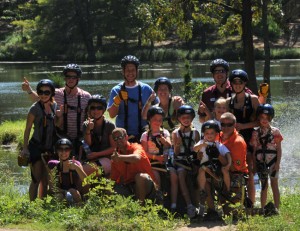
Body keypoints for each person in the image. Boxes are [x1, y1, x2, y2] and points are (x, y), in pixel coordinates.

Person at [22, 64, 91, 154]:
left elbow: (93, 114)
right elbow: (41, 98)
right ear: (65, 78)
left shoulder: (86, 96)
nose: (70, 79)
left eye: (73, 77)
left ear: (78, 79)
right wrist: (29, 90)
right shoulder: (57, 94)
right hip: (60, 138)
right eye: (68, 76)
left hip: (80, 138)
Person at [226, 69, 260, 204]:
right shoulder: (228, 101)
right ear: (232, 84)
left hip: (249, 137)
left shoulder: (253, 99)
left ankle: (251, 202)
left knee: (250, 170)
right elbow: (226, 121)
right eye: (235, 82)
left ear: (245, 83)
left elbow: (260, 121)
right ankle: (236, 201)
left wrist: (244, 126)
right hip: (234, 140)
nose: (237, 85)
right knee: (234, 169)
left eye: (240, 82)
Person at [21, 79, 58, 201]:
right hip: (36, 147)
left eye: (47, 92)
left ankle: (44, 204)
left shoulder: (54, 106)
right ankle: (32, 206)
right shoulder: (34, 109)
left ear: (52, 93)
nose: (43, 95)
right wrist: (25, 148)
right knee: (36, 179)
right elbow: (27, 130)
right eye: (41, 92)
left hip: (49, 148)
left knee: (47, 179)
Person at [107, 55, 157, 143]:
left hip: (144, 134)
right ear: (122, 71)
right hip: (123, 136)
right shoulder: (116, 90)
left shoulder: (146, 89)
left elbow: (159, 109)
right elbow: (111, 115)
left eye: (133, 70)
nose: (130, 73)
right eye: (127, 70)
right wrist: (117, 101)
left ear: (137, 71)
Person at [140, 106, 178, 211]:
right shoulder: (145, 135)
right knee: (156, 177)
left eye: (160, 120)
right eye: (155, 119)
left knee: (174, 175)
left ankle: (174, 204)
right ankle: (159, 203)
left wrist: (163, 140)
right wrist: (156, 157)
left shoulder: (164, 132)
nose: (157, 122)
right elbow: (144, 152)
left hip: (165, 160)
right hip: (152, 161)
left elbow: (169, 145)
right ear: (149, 120)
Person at [110, 127, 158, 203]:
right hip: (131, 189)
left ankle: (140, 208)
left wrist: (120, 157)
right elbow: (113, 180)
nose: (118, 141)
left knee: (140, 177)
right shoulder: (115, 158)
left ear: (126, 137)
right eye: (115, 139)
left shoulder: (136, 147)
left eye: (120, 137)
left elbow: (136, 158)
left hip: (149, 188)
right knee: (110, 187)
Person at [193, 120, 231, 215]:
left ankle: (227, 191)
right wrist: (202, 144)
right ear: (203, 134)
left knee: (222, 176)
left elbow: (227, 154)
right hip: (205, 167)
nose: (209, 135)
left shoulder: (218, 145)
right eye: (207, 133)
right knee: (201, 170)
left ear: (216, 134)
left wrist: (227, 163)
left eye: (212, 133)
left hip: (216, 168)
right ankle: (202, 191)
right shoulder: (202, 142)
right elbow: (194, 148)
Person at [250, 104, 283, 212]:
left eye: (267, 118)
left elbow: (278, 149)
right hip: (261, 162)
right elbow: (254, 151)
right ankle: (263, 208)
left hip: (273, 161)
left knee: (274, 184)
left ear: (271, 118)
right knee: (263, 185)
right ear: (258, 118)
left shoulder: (276, 131)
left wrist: (277, 164)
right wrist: (254, 165)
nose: (264, 120)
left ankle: (277, 208)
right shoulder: (255, 132)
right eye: (262, 118)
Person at [172, 105, 200, 218]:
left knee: (198, 177)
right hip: (181, 161)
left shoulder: (195, 133)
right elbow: (176, 153)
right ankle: (189, 205)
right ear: (179, 118)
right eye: (183, 117)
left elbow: (198, 151)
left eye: (188, 117)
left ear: (192, 118)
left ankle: (199, 205)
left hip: (193, 161)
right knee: (181, 175)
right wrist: (177, 143)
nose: (186, 119)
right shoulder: (175, 133)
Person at [218, 112, 250, 207]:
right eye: (223, 124)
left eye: (229, 125)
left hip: (236, 175)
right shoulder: (218, 136)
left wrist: (218, 156)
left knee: (232, 212)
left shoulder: (238, 142)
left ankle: (261, 211)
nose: (226, 127)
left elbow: (233, 168)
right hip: (221, 172)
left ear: (235, 125)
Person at [81, 95, 116, 177]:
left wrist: (97, 154)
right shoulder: (86, 124)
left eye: (99, 108)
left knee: (83, 171)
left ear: (103, 110)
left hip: (107, 158)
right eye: (92, 108)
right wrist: (88, 130)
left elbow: (113, 148)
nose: (95, 111)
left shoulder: (109, 125)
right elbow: (88, 144)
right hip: (91, 158)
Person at [47, 138, 88, 204]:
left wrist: (77, 168)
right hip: (61, 193)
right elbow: (52, 187)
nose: (63, 152)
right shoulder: (52, 165)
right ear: (57, 151)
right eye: (60, 149)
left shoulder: (76, 164)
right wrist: (65, 192)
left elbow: (87, 182)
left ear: (70, 151)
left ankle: (78, 209)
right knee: (58, 196)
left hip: (76, 194)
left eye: (67, 149)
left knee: (73, 192)